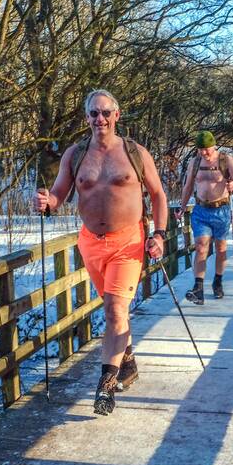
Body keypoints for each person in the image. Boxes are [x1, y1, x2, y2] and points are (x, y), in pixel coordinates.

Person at [33, 90, 169, 416]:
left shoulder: (135, 153)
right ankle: (128, 361)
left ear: (117, 115)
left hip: (128, 242)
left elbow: (158, 195)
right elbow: (60, 194)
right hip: (91, 243)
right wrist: (47, 203)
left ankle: (106, 386)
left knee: (114, 309)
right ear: (87, 118)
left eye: (106, 112)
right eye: (94, 113)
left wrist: (160, 235)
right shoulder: (76, 154)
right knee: (114, 310)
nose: (100, 119)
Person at [176, 130, 233, 304]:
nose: (203, 152)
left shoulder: (226, 160)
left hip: (221, 211)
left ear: (214, 145)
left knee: (221, 248)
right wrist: (182, 207)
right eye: (200, 149)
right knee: (201, 247)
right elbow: (188, 186)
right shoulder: (195, 162)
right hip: (201, 210)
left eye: (206, 149)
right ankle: (198, 288)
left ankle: (217, 281)